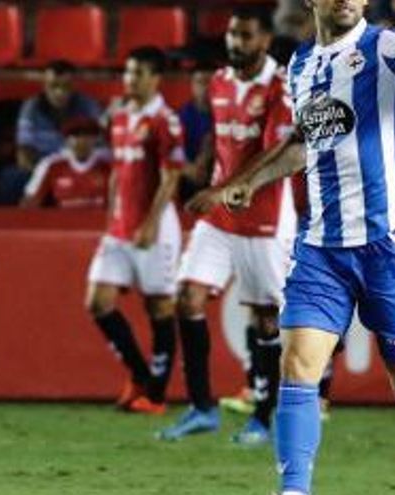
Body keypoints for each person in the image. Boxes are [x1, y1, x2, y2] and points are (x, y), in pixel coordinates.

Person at [189, 1, 395, 493]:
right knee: (298, 363)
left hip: (386, 244)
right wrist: (255, 179)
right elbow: (306, 141)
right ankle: (293, 489)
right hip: (322, 247)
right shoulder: (303, 64)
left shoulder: (385, 47)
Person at [159, 8, 335, 445]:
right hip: (220, 219)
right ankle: (202, 408)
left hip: (264, 219)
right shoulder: (219, 81)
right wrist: (209, 175)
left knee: (266, 321)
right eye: (232, 34)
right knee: (187, 298)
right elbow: (223, 141)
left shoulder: (280, 86)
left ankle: (263, 416)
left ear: (263, 40)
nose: (235, 42)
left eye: (245, 35)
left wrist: (225, 189)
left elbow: (276, 151)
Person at [85, 47, 184, 416]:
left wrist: (151, 223)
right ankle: (140, 375)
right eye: (128, 72)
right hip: (120, 228)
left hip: (153, 229)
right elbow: (117, 171)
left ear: (156, 78)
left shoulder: (165, 120)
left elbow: (172, 175)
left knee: (159, 307)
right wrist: (112, 215)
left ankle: (155, 396)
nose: (131, 79)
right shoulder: (121, 116)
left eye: (139, 73)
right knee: (98, 302)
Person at [16, 60, 102, 171]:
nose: (59, 92)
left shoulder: (88, 107)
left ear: (75, 85)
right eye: (53, 86)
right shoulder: (30, 108)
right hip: (39, 170)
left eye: (66, 86)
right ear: (44, 85)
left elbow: (99, 147)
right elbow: (24, 152)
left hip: (78, 170)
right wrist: (44, 176)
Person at [21, 117, 111, 209]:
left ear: (95, 139)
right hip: (63, 221)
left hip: (100, 220)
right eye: (76, 135)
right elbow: (30, 202)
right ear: (67, 139)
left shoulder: (108, 162)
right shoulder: (51, 164)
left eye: (87, 135)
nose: (82, 141)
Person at [177, 67, 214, 202]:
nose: (205, 87)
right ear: (192, 85)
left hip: (217, 180)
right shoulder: (182, 116)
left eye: (209, 82)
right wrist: (189, 169)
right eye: (200, 82)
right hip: (188, 178)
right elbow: (169, 153)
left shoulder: (225, 114)